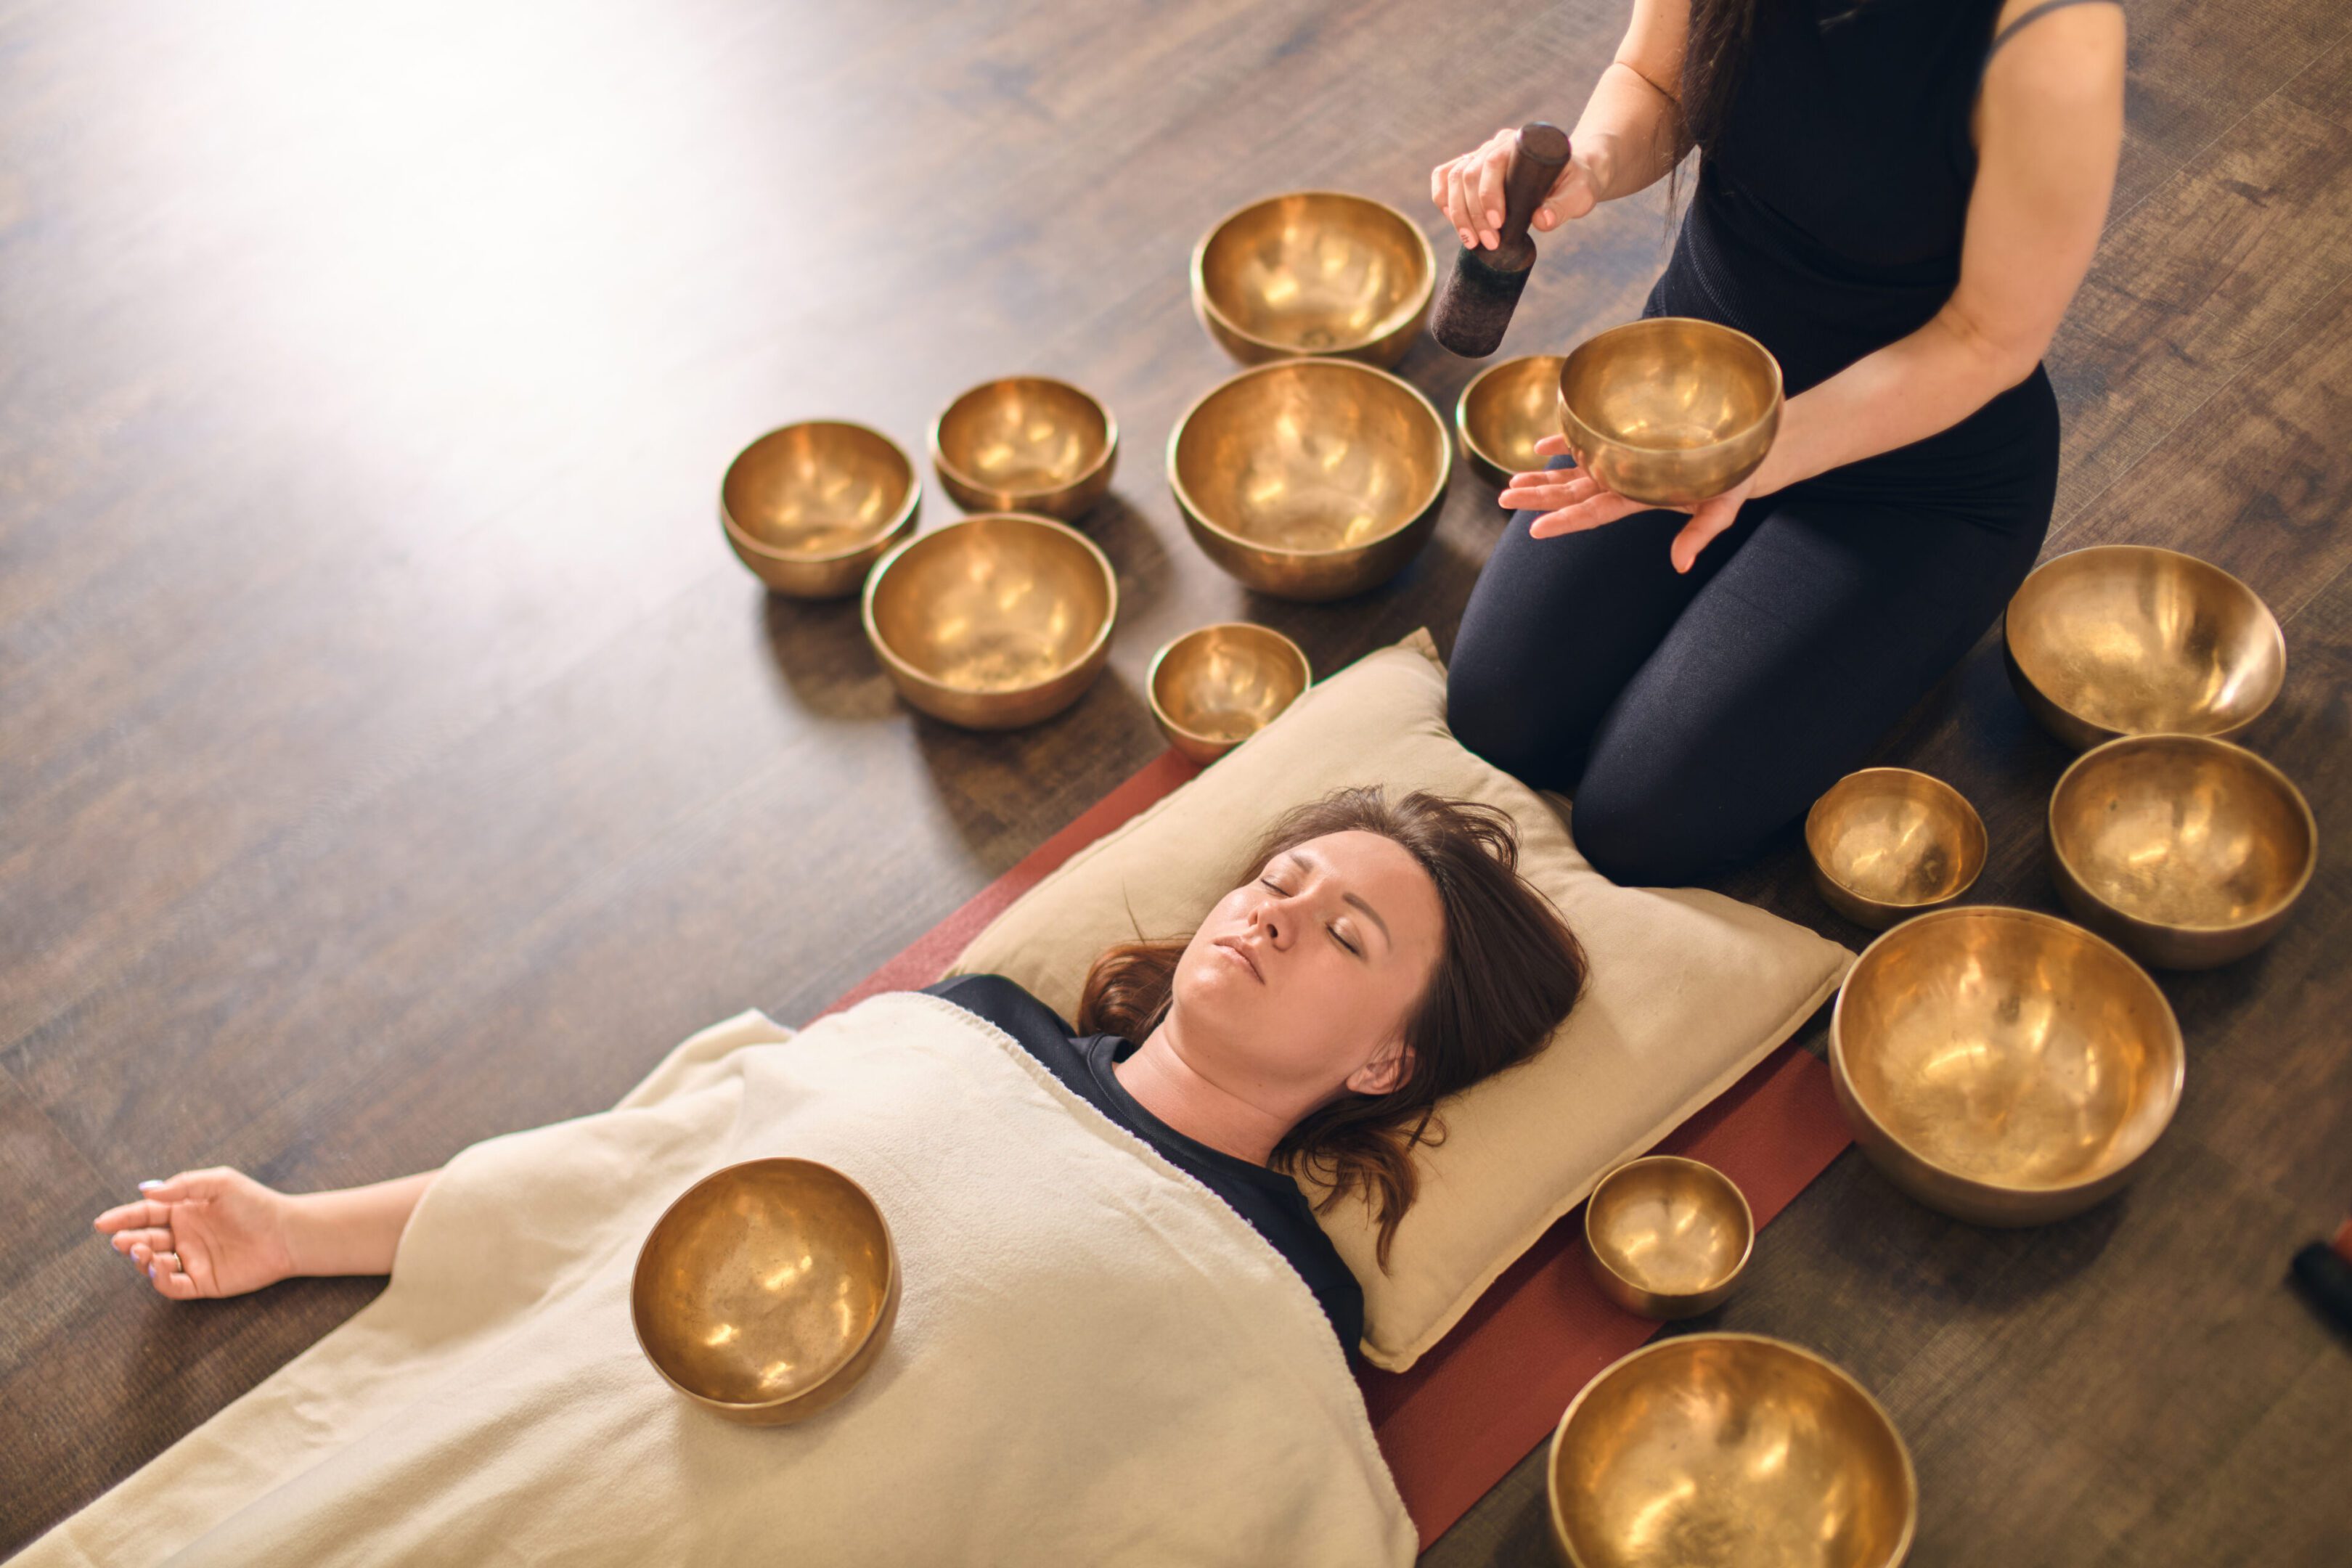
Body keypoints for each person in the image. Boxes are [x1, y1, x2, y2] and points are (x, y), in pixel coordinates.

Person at [94, 787, 1588, 1354]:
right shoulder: (971, 1027)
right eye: (1280, 872)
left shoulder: (1283, 1296)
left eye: (1343, 928)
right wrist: (292, 1233)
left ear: (1388, 1052)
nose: (1270, 906)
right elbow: (637, 1175)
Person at [1433, 0, 2126, 886]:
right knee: (1499, 710)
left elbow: (1988, 341)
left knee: (1639, 820)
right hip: (1691, 398)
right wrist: (1592, 161)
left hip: (1912, 476)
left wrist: (1755, 460)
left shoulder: (2054, 33)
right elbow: (1652, 79)